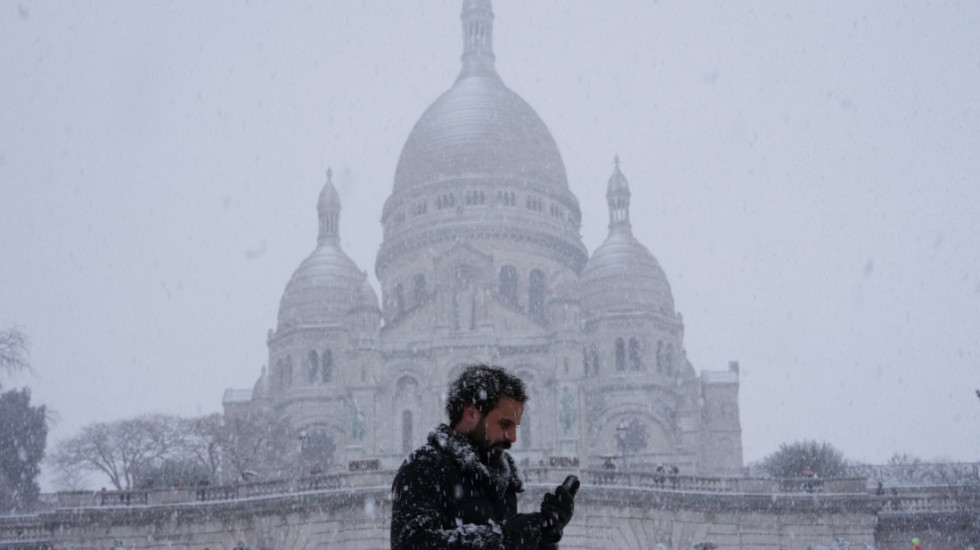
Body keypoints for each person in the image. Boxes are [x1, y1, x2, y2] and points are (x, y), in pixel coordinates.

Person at [390, 364, 577, 549]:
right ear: (471, 414)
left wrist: (544, 532)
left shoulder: (502, 478)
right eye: (505, 425)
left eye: (515, 427)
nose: (513, 437)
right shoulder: (423, 467)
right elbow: (413, 545)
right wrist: (509, 537)